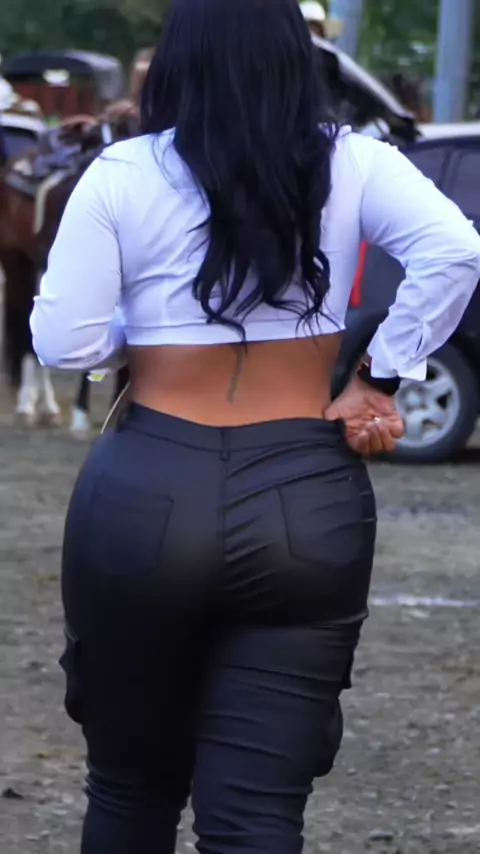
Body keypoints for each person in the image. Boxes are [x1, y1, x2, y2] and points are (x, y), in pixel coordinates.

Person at [30, 0, 480, 852]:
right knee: (258, 818)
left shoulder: (122, 172)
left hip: (147, 489)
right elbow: (456, 248)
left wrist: (157, 330)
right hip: (304, 496)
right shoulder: (354, 160)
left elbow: (64, 343)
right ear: (293, 59)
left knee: (128, 795)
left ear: (176, 62)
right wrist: (380, 375)